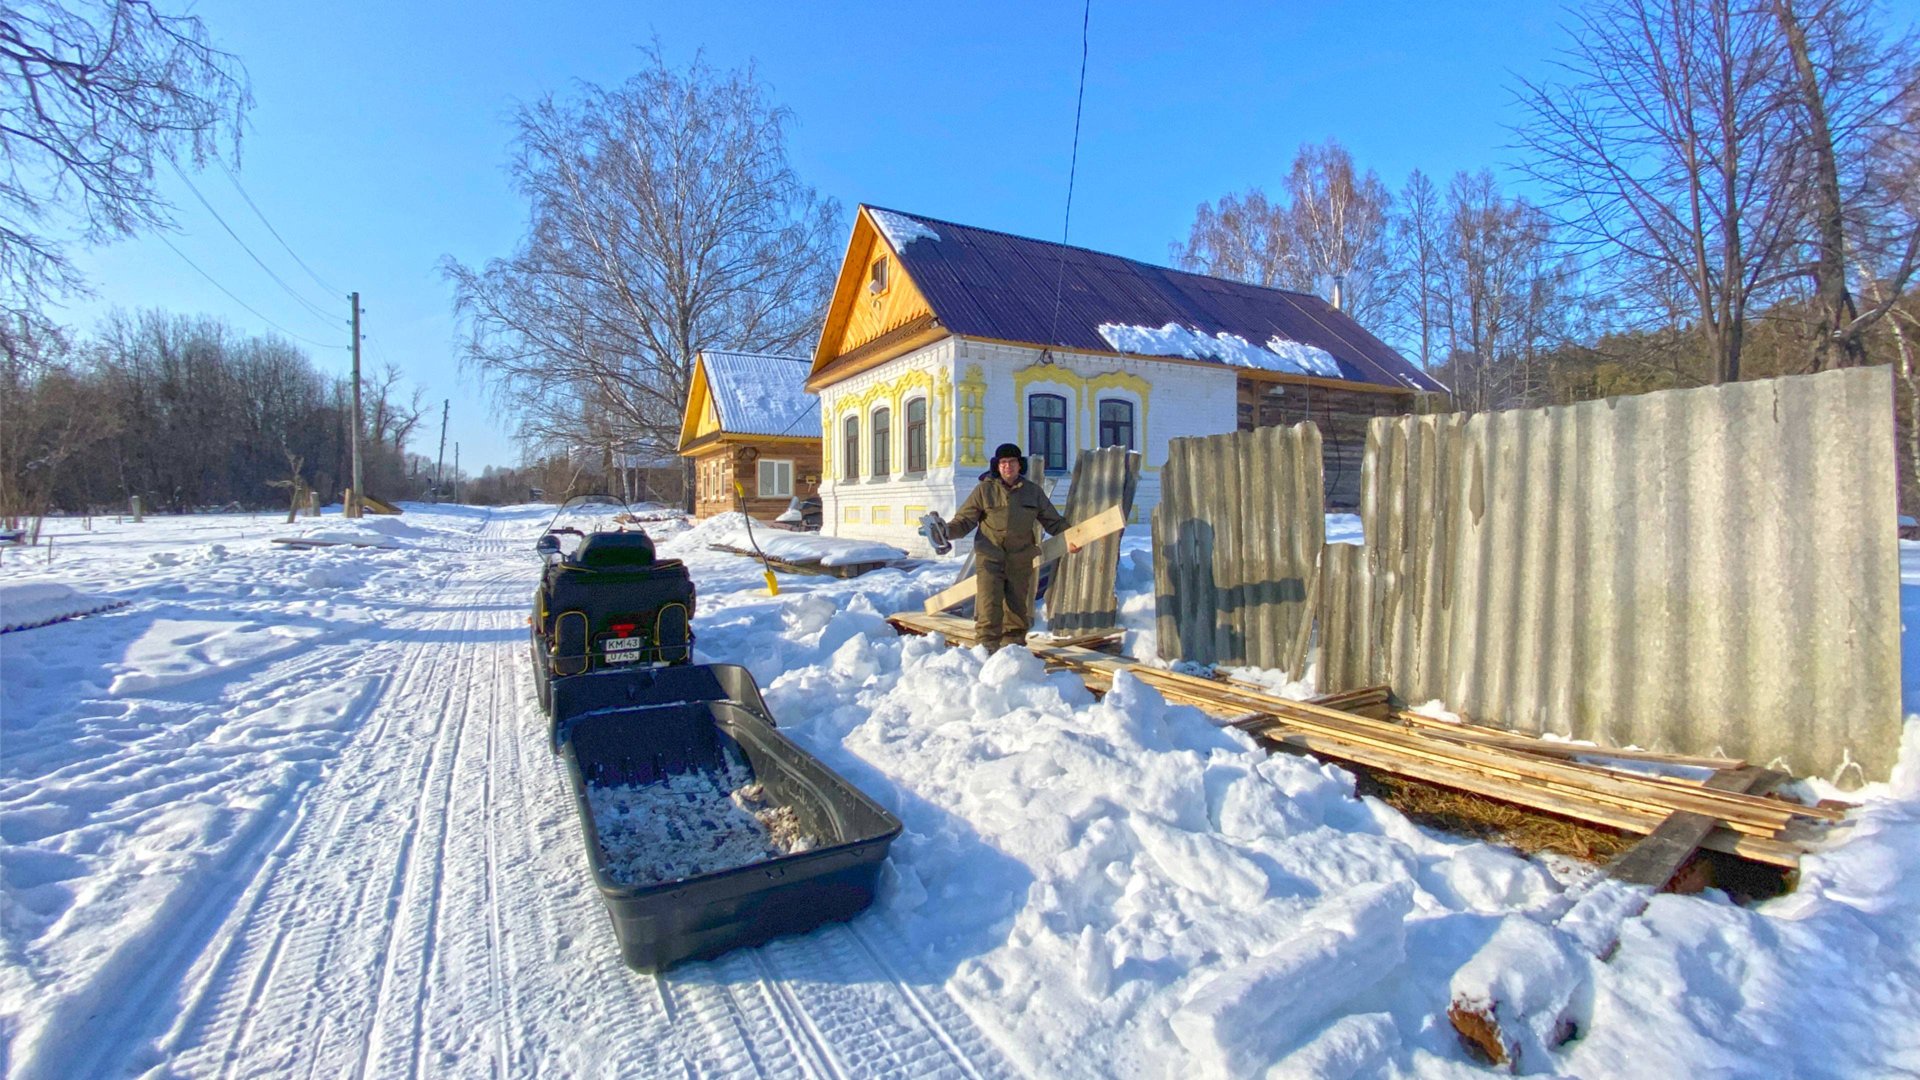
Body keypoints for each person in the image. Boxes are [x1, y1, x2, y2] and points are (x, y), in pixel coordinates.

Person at [945, 442, 1077, 652]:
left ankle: (1013, 653)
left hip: (1020, 559)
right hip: (990, 557)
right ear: (997, 466)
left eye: (1012, 462)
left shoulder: (1032, 492)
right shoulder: (984, 491)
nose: (1007, 466)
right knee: (989, 607)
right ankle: (986, 651)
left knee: (1016, 610)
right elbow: (964, 521)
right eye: (1003, 462)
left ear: (1020, 465)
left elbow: (1053, 521)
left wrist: (1071, 536)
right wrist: (945, 531)